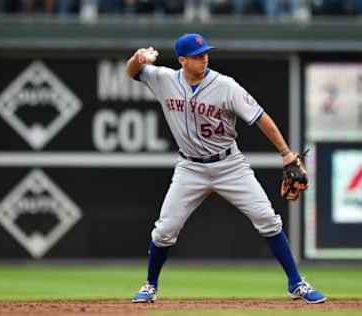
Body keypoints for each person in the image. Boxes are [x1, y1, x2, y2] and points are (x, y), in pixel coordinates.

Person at [126, 33, 326, 304]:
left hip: (230, 164)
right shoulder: (164, 79)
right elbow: (133, 72)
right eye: (196, 56)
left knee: (267, 218)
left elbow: (260, 117)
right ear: (182, 60)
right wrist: (138, 59)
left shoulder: (226, 86)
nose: (204, 58)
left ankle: (296, 283)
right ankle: (150, 285)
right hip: (190, 167)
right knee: (165, 230)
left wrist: (287, 155)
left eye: (205, 53)